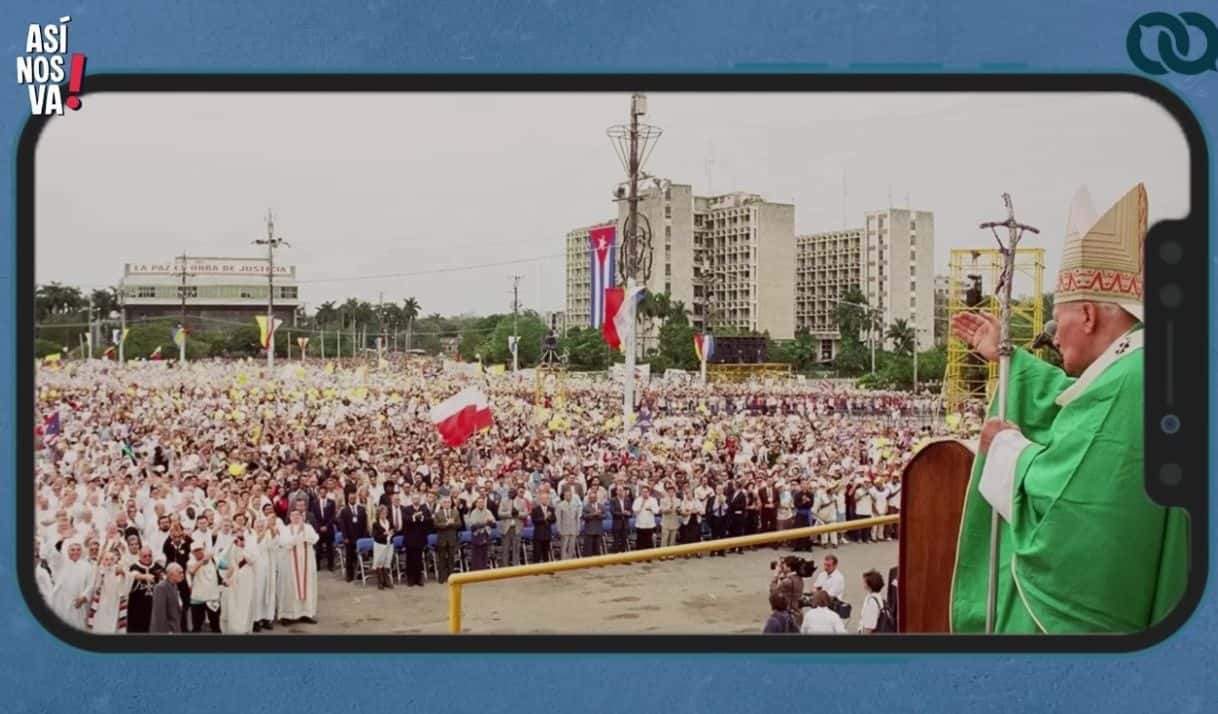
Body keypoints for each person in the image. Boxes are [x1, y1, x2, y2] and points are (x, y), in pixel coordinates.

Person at [950, 183, 1187, 633]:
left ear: (1090, 317)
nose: (1054, 336)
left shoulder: (1132, 381)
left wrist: (1004, 448)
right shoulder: (1148, 366)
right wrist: (1010, 360)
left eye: (1059, 321)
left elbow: (1072, 497)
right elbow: (1077, 413)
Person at [277, 507, 319, 623]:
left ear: (302, 517)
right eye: (293, 515)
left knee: (307, 586)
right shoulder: (285, 529)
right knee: (290, 587)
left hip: (306, 562)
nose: (295, 518)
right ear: (289, 517)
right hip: (290, 564)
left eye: (298, 515)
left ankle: (306, 613)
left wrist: (304, 533)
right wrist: (298, 534)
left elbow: (315, 539)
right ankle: (289, 615)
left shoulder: (308, 527)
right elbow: (286, 543)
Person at [48, 539, 93, 630]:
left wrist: (84, 597)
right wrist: (62, 539)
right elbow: (55, 555)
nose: (75, 552)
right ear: (67, 550)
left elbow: (91, 584)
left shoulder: (87, 566)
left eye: (78, 549)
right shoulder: (61, 563)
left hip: (78, 603)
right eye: (72, 549)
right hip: (61, 602)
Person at [218, 532, 255, 634]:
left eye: (242, 538)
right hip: (234, 579)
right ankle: (235, 628)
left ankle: (245, 627)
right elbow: (223, 564)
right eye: (238, 538)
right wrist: (227, 577)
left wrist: (242, 548)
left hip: (246, 578)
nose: (240, 540)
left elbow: (252, 561)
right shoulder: (229, 549)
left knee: (245, 602)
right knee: (234, 603)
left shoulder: (249, 549)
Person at [86, 549, 129, 633]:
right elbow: (95, 585)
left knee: (113, 627)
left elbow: (125, 585)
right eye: (106, 559)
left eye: (111, 559)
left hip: (114, 603)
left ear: (115, 560)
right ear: (103, 561)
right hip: (101, 604)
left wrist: (123, 574)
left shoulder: (118, 571)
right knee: (99, 625)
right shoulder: (100, 571)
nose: (109, 562)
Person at [126, 546, 165, 633]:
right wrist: (144, 576)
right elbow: (133, 575)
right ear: (139, 556)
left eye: (149, 555)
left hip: (153, 605)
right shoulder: (134, 566)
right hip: (137, 606)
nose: (147, 558)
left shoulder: (157, 567)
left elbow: (164, 578)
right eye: (145, 556)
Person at [186, 540, 221, 633]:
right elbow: (192, 570)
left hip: (212, 598)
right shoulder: (190, 562)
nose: (198, 552)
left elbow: (227, 565)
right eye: (195, 551)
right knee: (196, 627)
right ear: (192, 553)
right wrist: (202, 561)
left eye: (200, 549)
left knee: (215, 626)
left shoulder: (214, 559)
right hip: (197, 599)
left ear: (203, 549)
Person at [251, 516, 279, 631]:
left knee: (269, 593)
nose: (260, 526)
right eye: (258, 524)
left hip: (268, 567)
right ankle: (256, 620)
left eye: (262, 524)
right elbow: (256, 543)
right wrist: (265, 531)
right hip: (256, 569)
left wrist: (271, 529)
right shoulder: (250, 535)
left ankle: (267, 618)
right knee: (258, 594)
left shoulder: (268, 534)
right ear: (254, 525)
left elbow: (274, 543)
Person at [402, 492, 432, 586]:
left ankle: (419, 578)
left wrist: (421, 517)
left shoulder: (424, 509)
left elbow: (429, 520)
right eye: (414, 498)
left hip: (420, 538)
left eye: (417, 498)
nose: (416, 500)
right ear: (412, 500)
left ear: (420, 499)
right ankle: (410, 579)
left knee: (419, 559)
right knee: (410, 559)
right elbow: (406, 519)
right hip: (410, 538)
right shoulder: (407, 509)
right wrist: (414, 517)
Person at [336, 491, 366, 583]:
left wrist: (364, 536)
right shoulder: (344, 510)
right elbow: (342, 526)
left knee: (361, 556)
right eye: (350, 498)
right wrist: (345, 537)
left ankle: (360, 573)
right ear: (348, 499)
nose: (352, 500)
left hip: (360, 536)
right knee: (349, 557)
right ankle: (349, 575)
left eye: (354, 498)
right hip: (349, 537)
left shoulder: (361, 509)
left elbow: (364, 524)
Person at [149, 563, 185, 634]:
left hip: (175, 628)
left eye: (182, 572)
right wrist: (167, 632)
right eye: (180, 572)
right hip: (165, 631)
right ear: (171, 574)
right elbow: (159, 614)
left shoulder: (174, 585)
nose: (182, 574)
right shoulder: (161, 588)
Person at [433, 494, 460, 583]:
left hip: (452, 538)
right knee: (442, 559)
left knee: (451, 559)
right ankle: (442, 578)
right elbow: (436, 525)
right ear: (441, 504)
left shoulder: (455, 512)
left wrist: (452, 523)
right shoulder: (438, 513)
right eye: (445, 502)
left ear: (451, 503)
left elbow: (459, 524)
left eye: (448, 502)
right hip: (442, 539)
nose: (447, 504)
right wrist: (446, 524)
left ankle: (451, 578)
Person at [466, 496, 495, 571]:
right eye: (479, 502)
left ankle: (484, 572)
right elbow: (474, 526)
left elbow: (493, 523)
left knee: (484, 555)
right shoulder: (473, 513)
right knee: (476, 556)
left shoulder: (488, 511)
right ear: (476, 504)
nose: (481, 504)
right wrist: (485, 523)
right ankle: (476, 572)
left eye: (482, 502)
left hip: (485, 535)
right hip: (477, 536)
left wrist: (488, 523)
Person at [498, 488, 526, 567]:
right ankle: (505, 568)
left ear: (516, 493)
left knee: (516, 549)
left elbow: (525, 514)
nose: (510, 494)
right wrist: (510, 513)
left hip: (517, 528)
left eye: (512, 493)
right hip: (506, 528)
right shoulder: (503, 501)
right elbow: (499, 513)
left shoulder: (522, 501)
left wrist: (518, 513)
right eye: (509, 493)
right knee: (505, 549)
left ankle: (515, 567)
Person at [370, 505, 395, 590]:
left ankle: (386, 581)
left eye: (385, 513)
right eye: (382, 513)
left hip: (389, 545)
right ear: (379, 514)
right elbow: (375, 536)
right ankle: (380, 582)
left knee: (387, 562)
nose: (384, 514)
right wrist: (384, 534)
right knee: (380, 562)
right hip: (380, 545)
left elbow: (393, 531)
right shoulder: (375, 523)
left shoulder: (390, 521)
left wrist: (392, 532)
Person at [530, 492, 556, 564]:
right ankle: (535, 569)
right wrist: (544, 518)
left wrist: (549, 518)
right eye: (543, 499)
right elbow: (534, 520)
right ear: (540, 500)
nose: (545, 500)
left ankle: (547, 568)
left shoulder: (551, 509)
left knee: (546, 553)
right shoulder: (535, 509)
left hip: (547, 534)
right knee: (537, 553)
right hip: (538, 535)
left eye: (547, 499)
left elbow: (554, 520)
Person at [858, 569, 886, 634]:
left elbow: (869, 627)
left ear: (869, 585)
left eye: (864, 582)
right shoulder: (877, 597)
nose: (863, 583)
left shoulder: (872, 602)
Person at [555, 488, 580, 560]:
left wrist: (578, 528)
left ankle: (570, 560)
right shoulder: (560, 505)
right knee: (564, 546)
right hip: (564, 529)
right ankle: (563, 561)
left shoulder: (575, 505)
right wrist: (559, 529)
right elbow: (558, 519)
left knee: (572, 546)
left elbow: (577, 518)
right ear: (564, 496)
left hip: (573, 528)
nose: (569, 496)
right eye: (567, 495)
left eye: (570, 495)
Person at [632, 485, 659, 550]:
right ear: (641, 492)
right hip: (640, 524)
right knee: (640, 541)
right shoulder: (638, 500)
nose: (645, 493)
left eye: (646, 492)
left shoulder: (653, 500)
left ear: (649, 492)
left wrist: (651, 509)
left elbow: (657, 511)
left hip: (649, 524)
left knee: (649, 541)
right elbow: (634, 510)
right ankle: (639, 557)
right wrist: (642, 504)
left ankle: (648, 557)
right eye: (643, 492)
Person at [580, 489, 605, 557]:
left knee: (597, 547)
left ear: (596, 498)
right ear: (589, 498)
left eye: (594, 497)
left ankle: (597, 561)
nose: (593, 499)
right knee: (588, 548)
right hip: (589, 530)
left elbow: (605, 515)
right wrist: (593, 514)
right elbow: (584, 516)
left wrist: (599, 515)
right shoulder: (586, 507)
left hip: (598, 529)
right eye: (591, 498)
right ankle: (587, 562)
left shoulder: (601, 506)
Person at [609, 485, 631, 554]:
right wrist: (623, 513)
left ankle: (623, 557)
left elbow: (630, 510)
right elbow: (613, 512)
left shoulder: (627, 499)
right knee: (616, 541)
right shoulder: (613, 500)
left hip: (625, 523)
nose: (621, 492)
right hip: (617, 524)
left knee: (624, 541)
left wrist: (629, 513)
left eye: (622, 490)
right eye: (619, 490)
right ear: (616, 492)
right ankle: (615, 557)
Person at [658, 486, 680, 551]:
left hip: (674, 521)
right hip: (665, 522)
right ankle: (663, 554)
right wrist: (668, 509)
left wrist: (678, 510)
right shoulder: (663, 500)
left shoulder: (678, 500)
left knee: (672, 539)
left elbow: (679, 510)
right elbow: (662, 510)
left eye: (672, 492)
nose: (671, 493)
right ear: (667, 492)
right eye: (669, 492)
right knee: (664, 539)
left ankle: (671, 553)